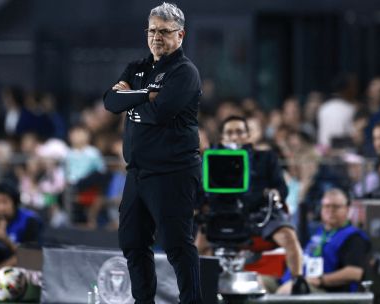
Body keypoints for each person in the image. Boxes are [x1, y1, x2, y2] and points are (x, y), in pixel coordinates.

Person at [103, 3, 203, 303]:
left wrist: (131, 100)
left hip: (173, 171)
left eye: (164, 31)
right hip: (137, 172)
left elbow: (160, 113)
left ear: (180, 35)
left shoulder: (185, 72)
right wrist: (146, 95)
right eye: (152, 30)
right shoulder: (137, 68)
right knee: (132, 243)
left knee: (176, 245)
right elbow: (110, 101)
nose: (156, 37)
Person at [206, 115, 310, 294]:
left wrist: (275, 194)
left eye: (239, 132)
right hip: (224, 213)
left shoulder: (266, 158)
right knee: (197, 243)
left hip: (260, 213)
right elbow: (202, 190)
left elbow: (282, 188)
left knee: (288, 236)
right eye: (229, 132)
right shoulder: (211, 160)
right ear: (223, 137)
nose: (235, 136)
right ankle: (199, 284)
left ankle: (298, 282)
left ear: (248, 135)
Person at [277, 188, 371, 293]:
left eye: (336, 207)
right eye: (326, 206)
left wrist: (321, 280)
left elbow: (355, 272)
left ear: (347, 209)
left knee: (287, 290)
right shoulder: (318, 232)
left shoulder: (354, 237)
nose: (330, 210)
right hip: (298, 281)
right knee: (262, 281)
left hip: (327, 291)